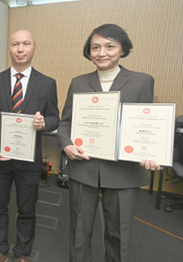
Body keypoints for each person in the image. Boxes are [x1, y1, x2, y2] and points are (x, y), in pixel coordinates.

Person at [57, 24, 162, 262]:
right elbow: (65, 123)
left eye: (110, 46)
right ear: (89, 51)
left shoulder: (142, 81)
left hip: (123, 171)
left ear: (123, 50)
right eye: (95, 47)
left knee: (119, 235)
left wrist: (151, 151)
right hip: (84, 168)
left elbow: (147, 124)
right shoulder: (78, 83)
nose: (101, 52)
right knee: (79, 233)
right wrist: (66, 144)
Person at [0, 30, 59, 262]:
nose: (20, 49)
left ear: (35, 48)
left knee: (27, 210)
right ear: (9, 49)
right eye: (15, 44)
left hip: (29, 159)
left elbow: (55, 117)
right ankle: (0, 249)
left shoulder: (47, 83)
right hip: (0, 157)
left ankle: (22, 253)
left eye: (26, 44)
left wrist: (44, 123)